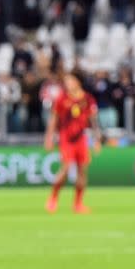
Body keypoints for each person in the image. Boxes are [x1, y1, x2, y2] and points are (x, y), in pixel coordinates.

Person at [44, 71, 102, 214]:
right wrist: (49, 138)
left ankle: (78, 204)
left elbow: (94, 121)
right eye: (66, 81)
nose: (67, 84)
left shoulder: (87, 99)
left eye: (70, 81)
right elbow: (54, 119)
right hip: (66, 138)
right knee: (65, 168)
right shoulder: (62, 99)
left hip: (81, 138)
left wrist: (97, 140)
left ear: (78, 82)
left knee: (82, 171)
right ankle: (53, 198)